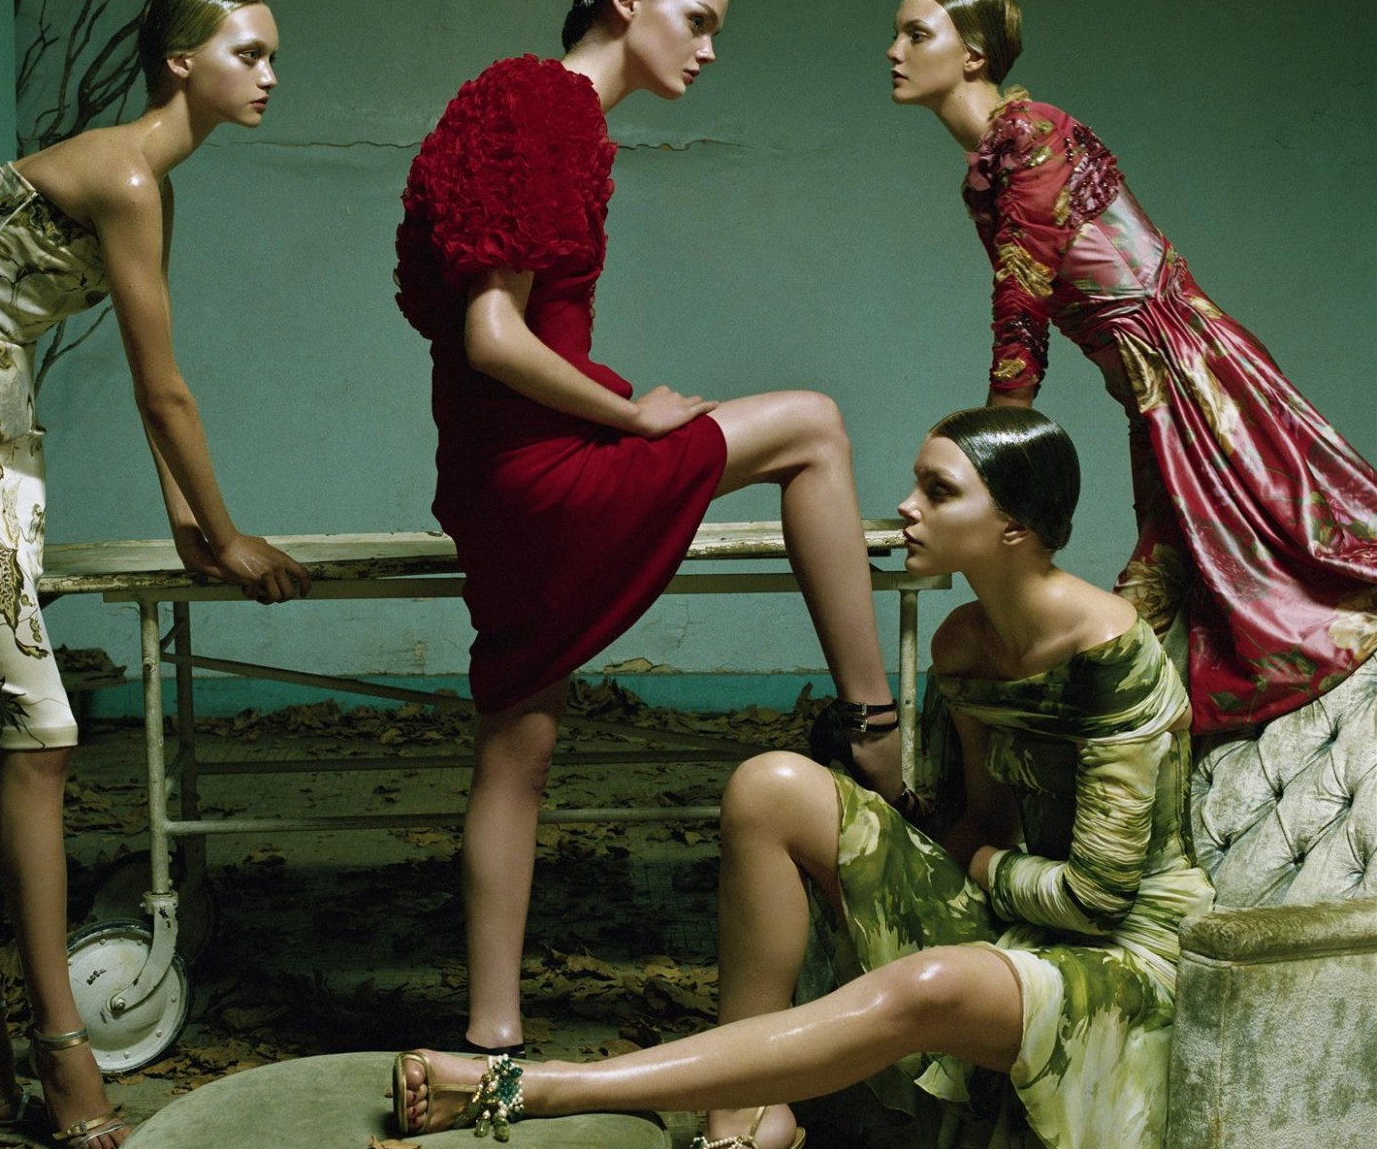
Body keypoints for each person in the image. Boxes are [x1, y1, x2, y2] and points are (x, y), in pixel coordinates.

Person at [392, 407, 1214, 1149]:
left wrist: (975, 863)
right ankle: (745, 1124)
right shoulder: (964, 643)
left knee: (929, 985)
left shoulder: (1110, 651)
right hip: (1015, 907)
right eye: (916, 484)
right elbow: (981, 824)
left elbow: (1095, 897)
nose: (907, 507)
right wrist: (943, 847)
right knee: (770, 786)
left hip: (1126, 953)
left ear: (1014, 527)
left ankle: (537, 1088)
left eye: (939, 491)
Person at [393, 0, 909, 1058]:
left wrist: (612, 409)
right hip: (539, 477)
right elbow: (492, 337)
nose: (709, 48)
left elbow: (492, 331)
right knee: (814, 426)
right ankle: (876, 730)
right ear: (627, 3)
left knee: (516, 752)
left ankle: (492, 1038)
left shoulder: (533, 104)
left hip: (492, 478)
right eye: (698, 18)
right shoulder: (547, 107)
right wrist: (631, 419)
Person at [0, 0, 311, 1149]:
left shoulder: (148, 184)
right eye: (249, 53)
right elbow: (166, 392)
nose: (270, 75)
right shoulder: (123, 175)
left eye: (272, 55)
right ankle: (63, 1049)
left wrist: (185, 528)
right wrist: (226, 533)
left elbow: (147, 371)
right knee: (42, 732)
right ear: (181, 63)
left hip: (2, 430)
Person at [886, 0, 1377, 736]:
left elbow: (1023, 297)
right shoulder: (993, 156)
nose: (894, 51)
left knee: (1300, 543)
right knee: (1183, 562)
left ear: (973, 55)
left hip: (1192, 371)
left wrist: (996, 445)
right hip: (1151, 385)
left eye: (917, 34)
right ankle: (1137, 730)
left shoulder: (1031, 135)